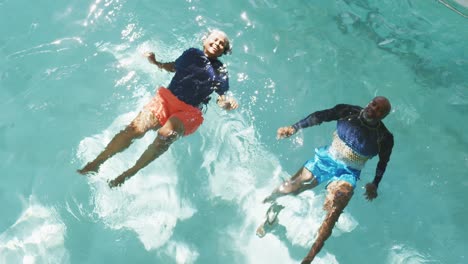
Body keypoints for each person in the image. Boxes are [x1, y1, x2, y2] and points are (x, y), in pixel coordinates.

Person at [78, 29, 238, 187]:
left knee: (165, 134)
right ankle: (97, 162)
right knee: (134, 130)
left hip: (188, 112)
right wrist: (156, 63)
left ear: (224, 51)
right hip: (166, 99)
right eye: (214, 39)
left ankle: (129, 173)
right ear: (205, 40)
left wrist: (226, 104)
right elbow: (173, 67)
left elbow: (221, 98)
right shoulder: (192, 54)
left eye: (221, 44)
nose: (217, 44)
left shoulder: (220, 71)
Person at [257, 96, 394, 264]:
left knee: (335, 210)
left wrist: (375, 183)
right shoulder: (348, 111)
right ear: (369, 102)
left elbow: (383, 162)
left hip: (349, 172)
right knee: (290, 187)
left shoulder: (384, 138)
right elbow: (320, 116)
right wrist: (294, 128)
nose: (374, 109)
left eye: (380, 110)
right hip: (326, 158)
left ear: (383, 116)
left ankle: (308, 259)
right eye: (374, 104)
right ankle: (270, 206)